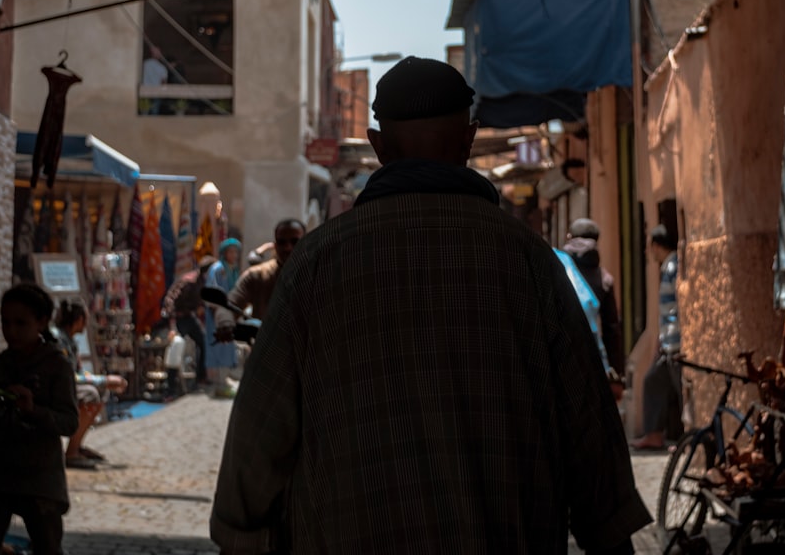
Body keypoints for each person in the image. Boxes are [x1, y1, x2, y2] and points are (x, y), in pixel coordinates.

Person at [211, 56, 650, 555]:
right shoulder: (528, 261)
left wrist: (242, 539)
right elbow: (590, 431)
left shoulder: (316, 264)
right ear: (469, 138)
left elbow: (259, 430)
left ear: (377, 146)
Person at [0, 284, 79, 555]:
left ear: (42, 322)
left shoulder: (57, 366)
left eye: (20, 323)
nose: (11, 331)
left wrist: (34, 411)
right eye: (5, 322)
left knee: (47, 546)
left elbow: (69, 421)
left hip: (40, 476)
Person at [51, 300, 128, 469]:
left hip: (65, 386)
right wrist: (104, 381)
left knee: (100, 393)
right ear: (78, 320)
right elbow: (68, 376)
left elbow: (77, 373)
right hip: (54, 389)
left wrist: (103, 382)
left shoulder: (69, 341)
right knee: (91, 395)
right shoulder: (58, 340)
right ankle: (71, 452)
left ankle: (76, 444)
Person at [631, 225, 684, 451]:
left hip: (676, 342)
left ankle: (686, 438)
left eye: (648, 246)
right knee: (653, 381)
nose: (647, 252)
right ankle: (654, 434)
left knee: (680, 389)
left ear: (656, 245)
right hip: (668, 342)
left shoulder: (673, 266)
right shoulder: (668, 267)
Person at [561, 217, 625, 398]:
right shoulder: (604, 279)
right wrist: (616, 375)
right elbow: (612, 331)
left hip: (562, 359)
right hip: (594, 363)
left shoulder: (557, 267)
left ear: (569, 237)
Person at [217, 220, 306, 335]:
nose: (288, 247)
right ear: (275, 245)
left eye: (295, 241)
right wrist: (225, 323)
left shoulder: (318, 274)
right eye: (282, 242)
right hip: (265, 347)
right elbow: (230, 304)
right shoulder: (257, 275)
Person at [157, 255, 216, 386]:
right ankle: (170, 386)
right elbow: (171, 299)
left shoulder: (204, 282)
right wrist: (172, 321)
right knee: (176, 347)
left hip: (189, 316)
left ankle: (201, 377)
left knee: (203, 342)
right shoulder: (189, 282)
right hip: (178, 317)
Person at [205, 238, 242, 397]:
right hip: (218, 316)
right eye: (231, 252)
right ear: (224, 253)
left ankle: (224, 381)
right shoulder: (218, 269)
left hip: (229, 315)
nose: (234, 255)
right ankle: (219, 384)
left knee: (227, 347)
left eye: (236, 252)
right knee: (218, 347)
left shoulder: (232, 270)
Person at [142, 45, 168, 114]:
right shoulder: (162, 67)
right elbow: (164, 82)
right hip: (156, 92)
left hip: (145, 91)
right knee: (154, 113)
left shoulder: (144, 64)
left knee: (144, 113)